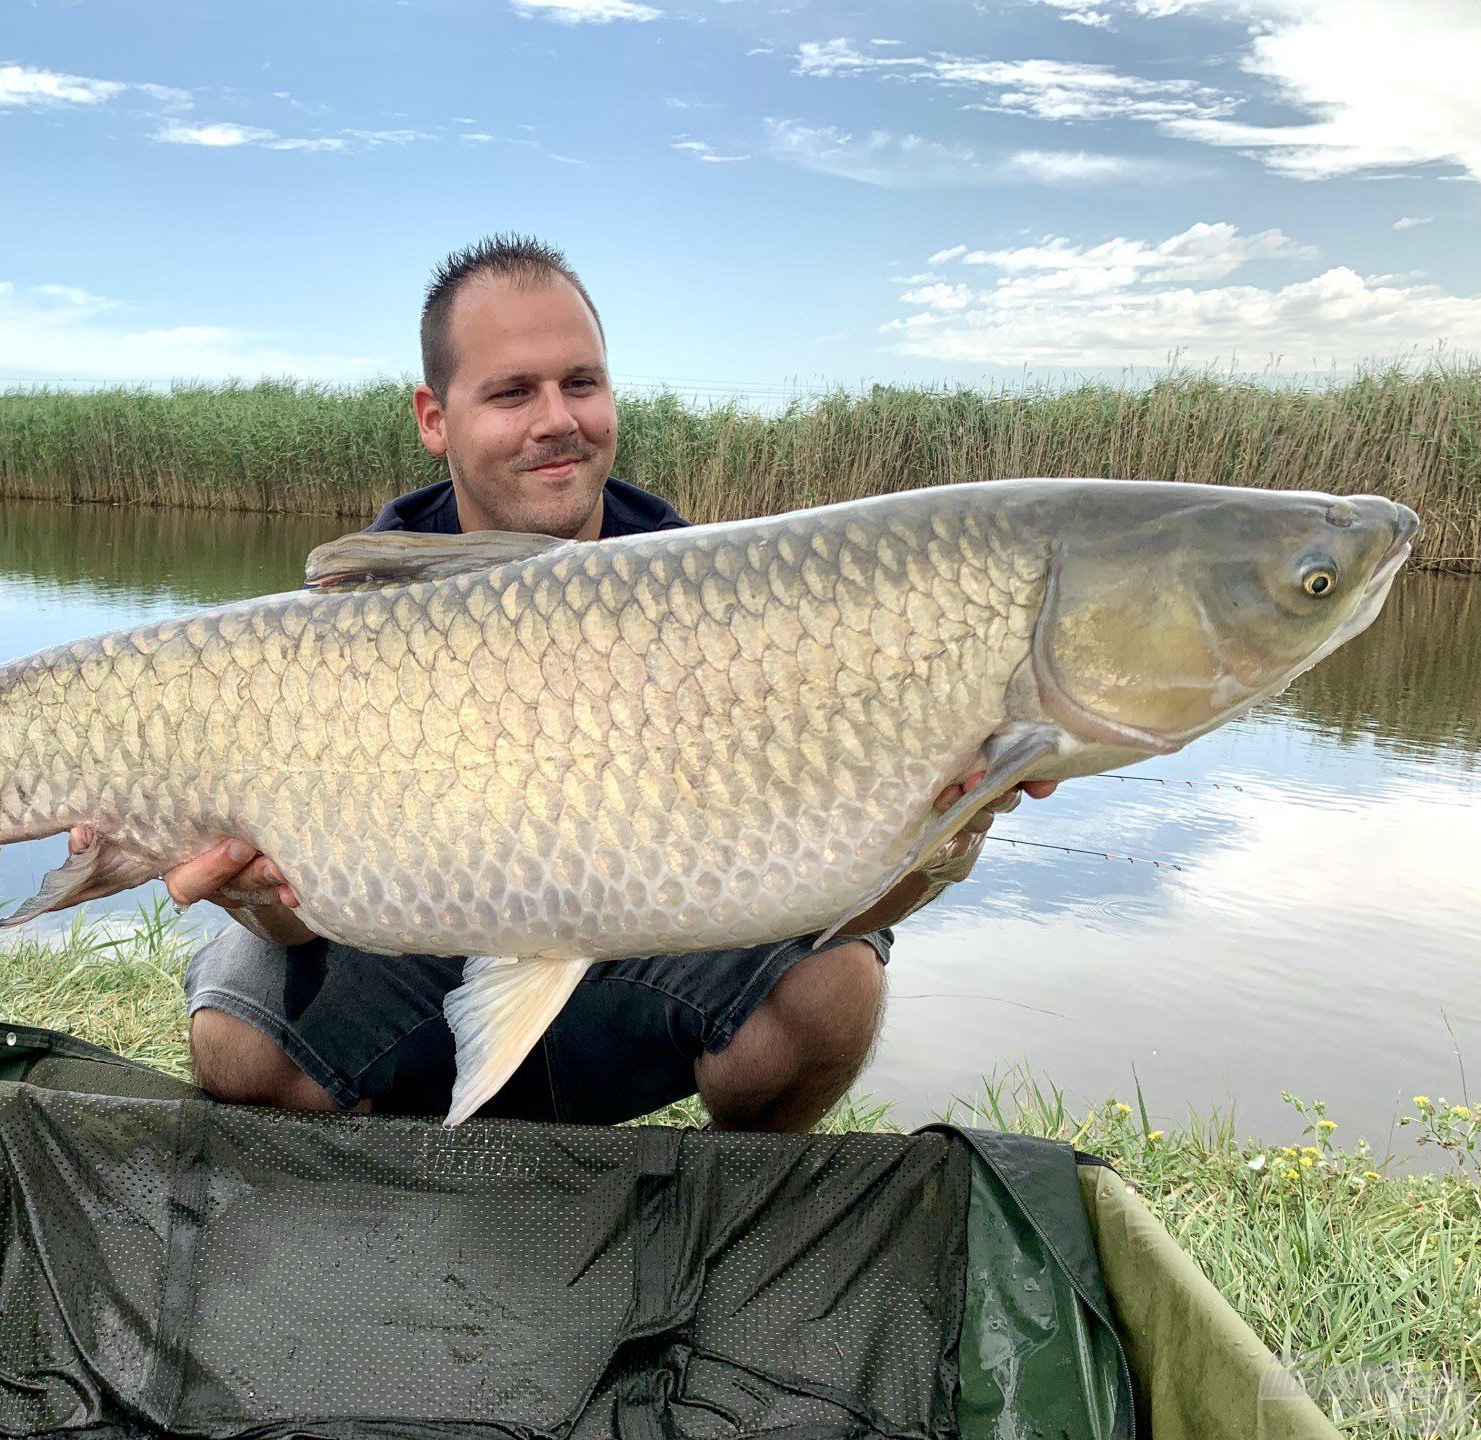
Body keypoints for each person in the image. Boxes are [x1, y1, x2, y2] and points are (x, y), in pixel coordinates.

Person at [77, 234, 1054, 1129]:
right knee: (234, 1044)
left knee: (837, 982)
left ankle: (728, 1215)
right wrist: (257, 894)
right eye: (513, 393)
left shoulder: (712, 598)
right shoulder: (347, 616)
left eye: (581, 383)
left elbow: (821, 894)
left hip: (641, 931)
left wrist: (935, 848)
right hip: (412, 938)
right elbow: (296, 921)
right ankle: (395, 1175)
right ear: (435, 417)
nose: (558, 421)